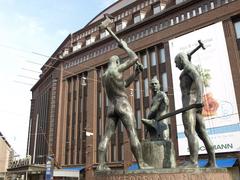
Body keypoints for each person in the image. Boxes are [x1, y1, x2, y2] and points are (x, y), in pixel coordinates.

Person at [97, 39, 152, 171]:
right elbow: (134, 57)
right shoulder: (116, 69)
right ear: (116, 62)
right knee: (132, 133)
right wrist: (125, 47)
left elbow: (123, 85)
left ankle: (101, 164)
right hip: (122, 104)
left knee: (106, 136)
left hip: (111, 107)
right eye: (119, 62)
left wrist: (136, 74)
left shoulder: (104, 76)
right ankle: (142, 163)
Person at [174, 52, 216, 168]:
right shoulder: (190, 66)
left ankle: (193, 161)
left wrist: (199, 98)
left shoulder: (188, 67)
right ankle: (212, 161)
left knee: (189, 131)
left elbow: (198, 79)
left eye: (176, 62)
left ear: (181, 60)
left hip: (190, 105)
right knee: (202, 132)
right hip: (195, 105)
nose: (176, 65)